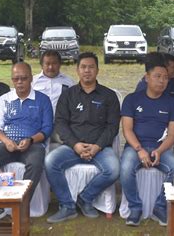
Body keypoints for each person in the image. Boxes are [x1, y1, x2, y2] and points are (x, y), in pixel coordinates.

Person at [45, 52, 120, 223]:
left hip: (100, 148)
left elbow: (112, 127)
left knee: (114, 169)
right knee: (50, 162)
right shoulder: (68, 95)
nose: (87, 71)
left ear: (97, 70)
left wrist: (97, 146)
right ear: (77, 70)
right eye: (83, 67)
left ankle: (85, 198)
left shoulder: (109, 96)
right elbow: (61, 124)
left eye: (91, 67)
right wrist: (76, 145)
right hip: (73, 147)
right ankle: (67, 206)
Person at [0, 62, 53, 222]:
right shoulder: (3, 100)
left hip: (33, 144)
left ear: (31, 79)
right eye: (16, 79)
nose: (20, 82)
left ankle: (22, 206)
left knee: (35, 163)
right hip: (8, 144)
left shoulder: (43, 100)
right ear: (12, 80)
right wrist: (6, 141)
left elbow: (47, 128)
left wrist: (31, 139)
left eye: (24, 78)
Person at [121, 56, 174, 226]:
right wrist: (139, 150)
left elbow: (171, 135)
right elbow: (127, 130)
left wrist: (160, 151)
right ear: (146, 78)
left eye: (165, 78)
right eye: (157, 76)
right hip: (135, 147)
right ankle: (135, 207)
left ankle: (160, 206)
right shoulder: (131, 99)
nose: (162, 81)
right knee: (126, 167)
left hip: (160, 148)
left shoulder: (172, 104)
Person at [32, 50, 75, 143]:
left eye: (54, 63)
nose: (51, 67)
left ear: (60, 64)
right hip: (37, 126)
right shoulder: (32, 82)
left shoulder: (69, 82)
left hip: (60, 126)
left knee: (67, 144)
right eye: (47, 64)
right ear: (42, 65)